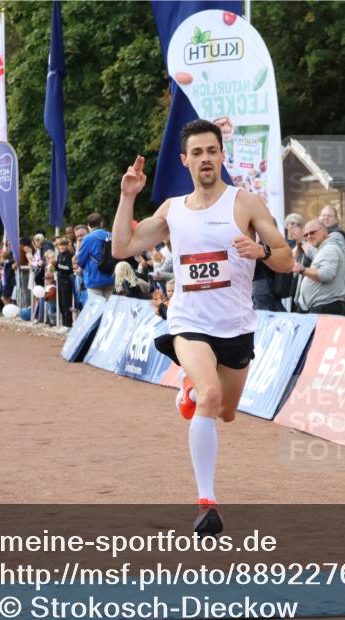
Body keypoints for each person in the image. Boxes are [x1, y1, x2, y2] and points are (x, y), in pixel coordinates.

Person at [111, 119, 293, 536]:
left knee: (226, 412)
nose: (205, 159)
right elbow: (122, 247)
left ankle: (191, 392)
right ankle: (206, 503)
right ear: (185, 161)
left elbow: (286, 259)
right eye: (197, 153)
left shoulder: (245, 203)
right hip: (189, 322)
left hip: (236, 326)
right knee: (211, 395)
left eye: (211, 151)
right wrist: (127, 198)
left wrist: (261, 250)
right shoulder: (172, 210)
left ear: (222, 156)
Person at [294, 219, 345, 314]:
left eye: (312, 232)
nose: (309, 237)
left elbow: (326, 274)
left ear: (324, 233)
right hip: (320, 307)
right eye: (305, 235)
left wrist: (302, 269)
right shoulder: (324, 248)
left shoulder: (329, 249)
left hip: (325, 307)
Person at [76, 213, 115, 299]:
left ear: (88, 225)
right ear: (102, 223)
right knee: (110, 309)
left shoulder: (88, 238)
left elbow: (80, 260)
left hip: (94, 279)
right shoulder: (112, 236)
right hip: (111, 276)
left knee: (97, 309)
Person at [55, 237, 75, 327]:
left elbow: (68, 268)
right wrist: (54, 267)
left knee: (67, 303)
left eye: (64, 245)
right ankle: (64, 323)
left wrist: (57, 265)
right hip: (60, 281)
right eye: (60, 245)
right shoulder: (59, 255)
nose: (62, 247)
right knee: (61, 303)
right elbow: (58, 268)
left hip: (66, 282)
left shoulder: (68, 255)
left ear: (67, 246)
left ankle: (68, 324)